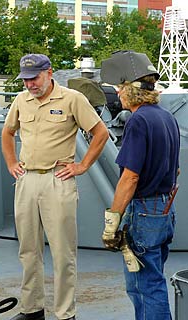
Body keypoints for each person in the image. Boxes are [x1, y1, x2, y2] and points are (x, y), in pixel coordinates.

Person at [1, 53, 109, 320]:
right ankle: (32, 309)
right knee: (28, 249)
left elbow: (101, 133)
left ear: (49, 72)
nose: (29, 85)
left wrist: (82, 166)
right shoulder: (21, 100)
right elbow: (7, 132)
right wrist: (12, 162)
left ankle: (65, 313)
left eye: (34, 78)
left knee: (62, 252)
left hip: (57, 180)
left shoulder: (72, 99)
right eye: (25, 80)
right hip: (27, 180)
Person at [100, 50, 180, 320]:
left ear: (129, 90)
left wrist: (113, 220)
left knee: (144, 286)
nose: (118, 94)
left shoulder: (138, 121)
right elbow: (175, 168)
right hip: (164, 210)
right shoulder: (166, 117)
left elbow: (130, 177)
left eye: (120, 88)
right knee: (154, 278)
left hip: (144, 211)